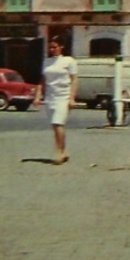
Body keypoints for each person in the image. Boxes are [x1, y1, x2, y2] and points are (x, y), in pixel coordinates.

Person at [40, 36, 78, 165]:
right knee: (55, 126)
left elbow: (74, 80)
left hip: (63, 96)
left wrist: (72, 98)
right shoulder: (46, 61)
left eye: (55, 47)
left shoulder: (69, 61)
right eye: (50, 47)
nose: (52, 49)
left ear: (61, 47)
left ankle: (59, 152)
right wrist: (38, 96)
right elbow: (43, 80)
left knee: (58, 123)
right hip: (50, 97)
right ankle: (64, 150)